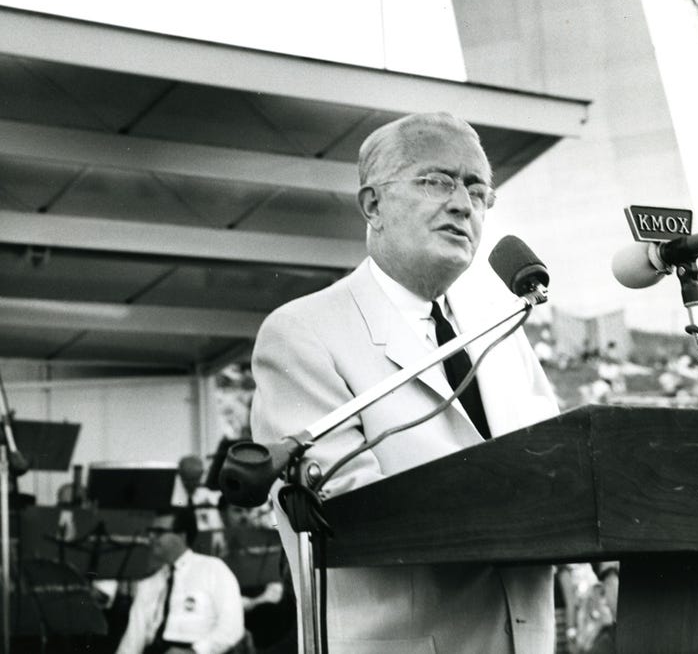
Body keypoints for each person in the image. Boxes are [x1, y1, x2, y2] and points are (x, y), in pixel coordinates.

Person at [251, 111, 559, 653]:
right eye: (436, 181)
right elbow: (350, 515)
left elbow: (562, 471)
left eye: (478, 190)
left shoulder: (504, 328)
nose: (463, 204)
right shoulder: (302, 332)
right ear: (373, 205)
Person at [115, 508, 245, 654]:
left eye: (159, 532)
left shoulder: (213, 569)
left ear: (182, 536)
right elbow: (133, 638)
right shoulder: (150, 581)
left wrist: (195, 651)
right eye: (151, 531)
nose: (151, 537)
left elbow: (232, 628)